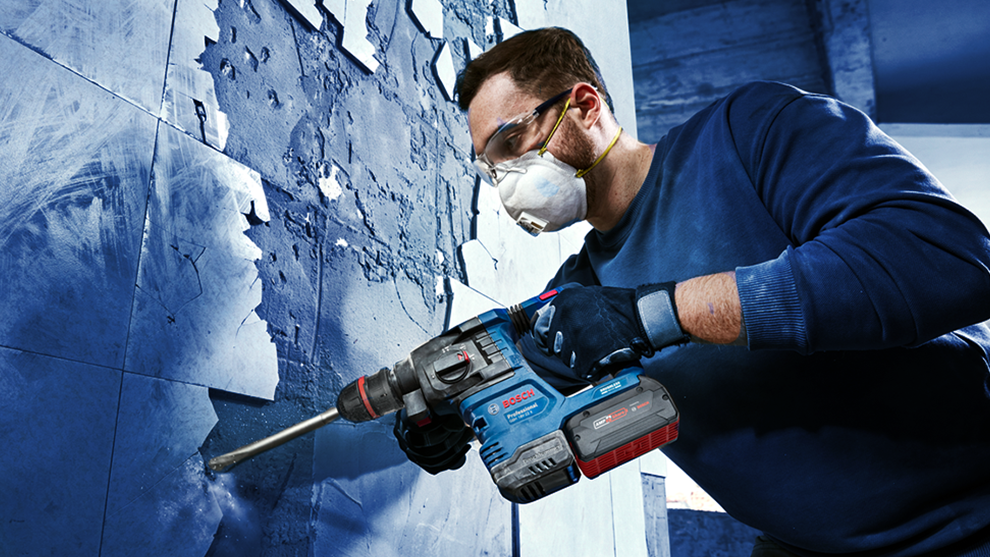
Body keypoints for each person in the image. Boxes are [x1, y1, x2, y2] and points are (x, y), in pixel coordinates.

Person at [396, 27, 990, 557]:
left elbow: (948, 257)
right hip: (806, 547)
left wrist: (658, 314)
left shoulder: (748, 131)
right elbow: (514, 385)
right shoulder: (578, 295)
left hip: (969, 517)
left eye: (510, 143)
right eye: (489, 167)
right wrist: (445, 412)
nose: (505, 182)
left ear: (582, 105)